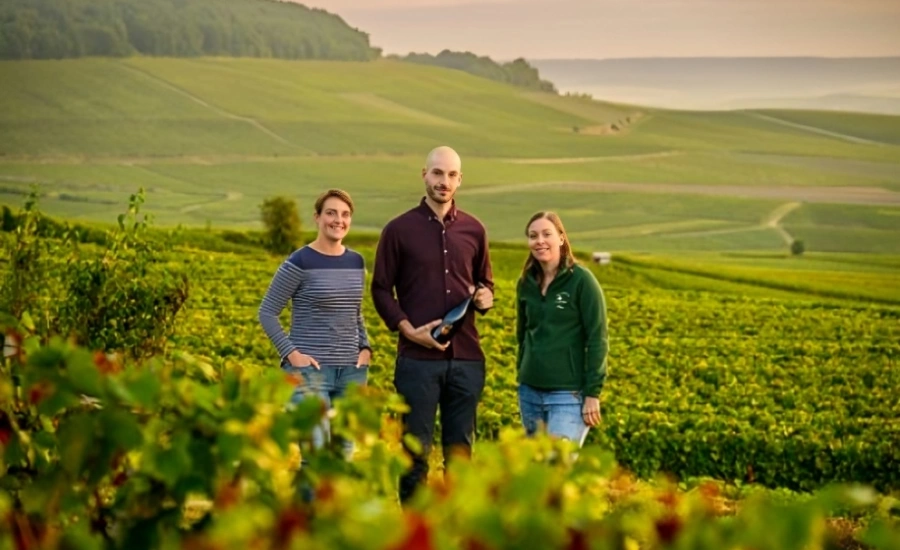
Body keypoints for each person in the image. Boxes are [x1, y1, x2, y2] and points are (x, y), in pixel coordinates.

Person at [371, 146, 494, 504]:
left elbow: (485, 283)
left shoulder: (475, 230)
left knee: (461, 453)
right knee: (414, 453)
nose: (444, 182)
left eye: (452, 175)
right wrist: (407, 329)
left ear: (460, 180)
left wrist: (486, 298)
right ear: (423, 174)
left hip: (467, 360)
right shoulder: (398, 230)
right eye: (437, 173)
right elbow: (380, 289)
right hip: (416, 360)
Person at [258, 188, 372, 456]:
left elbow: (355, 312)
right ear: (317, 218)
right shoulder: (300, 261)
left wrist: (366, 348)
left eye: (345, 215)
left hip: (352, 374)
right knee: (316, 453)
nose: (338, 220)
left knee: (344, 454)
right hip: (310, 374)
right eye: (330, 213)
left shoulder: (356, 262)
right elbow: (267, 312)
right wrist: (292, 355)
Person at [515, 211, 608, 447]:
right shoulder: (526, 282)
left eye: (547, 234)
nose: (540, 241)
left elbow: (597, 339)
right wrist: (522, 370)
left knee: (557, 469)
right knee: (536, 470)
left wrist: (592, 394)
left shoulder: (582, 281)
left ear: (561, 238)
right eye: (533, 236)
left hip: (568, 395)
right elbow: (522, 333)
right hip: (530, 392)